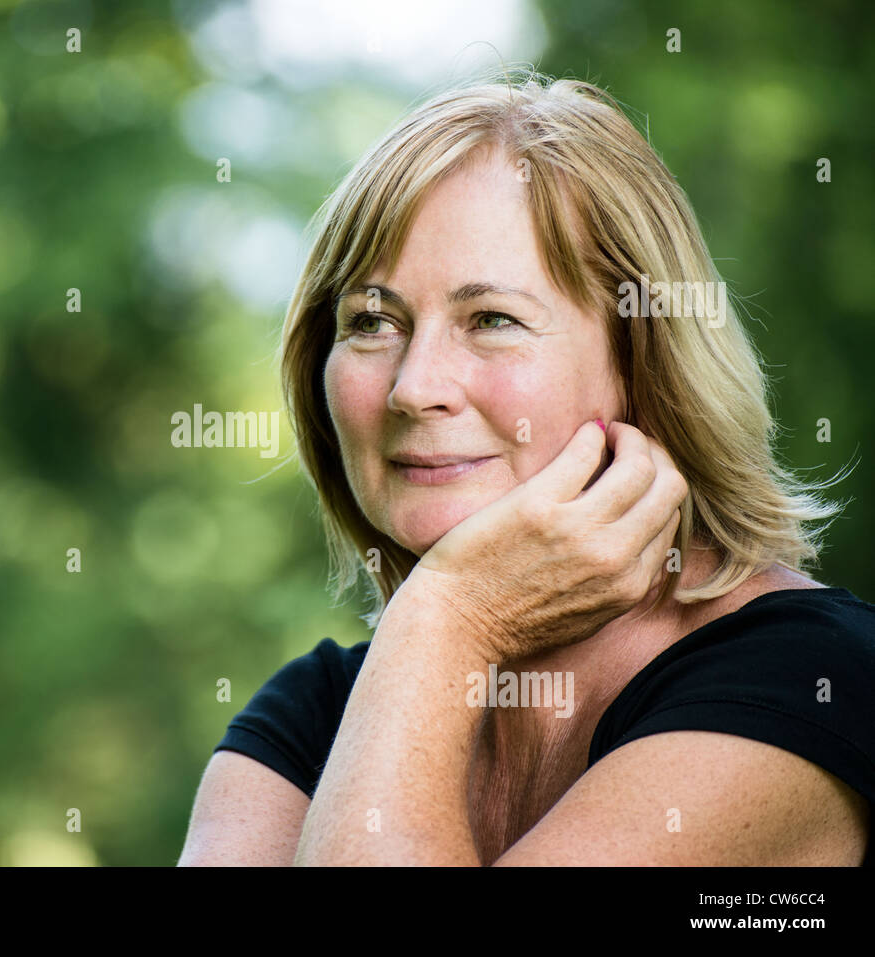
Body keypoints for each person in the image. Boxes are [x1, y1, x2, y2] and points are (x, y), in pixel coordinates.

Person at [177, 71, 875, 866]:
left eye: (492, 319)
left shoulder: (809, 678)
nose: (414, 388)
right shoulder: (310, 718)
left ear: (641, 363)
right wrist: (442, 629)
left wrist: (452, 614)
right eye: (372, 321)